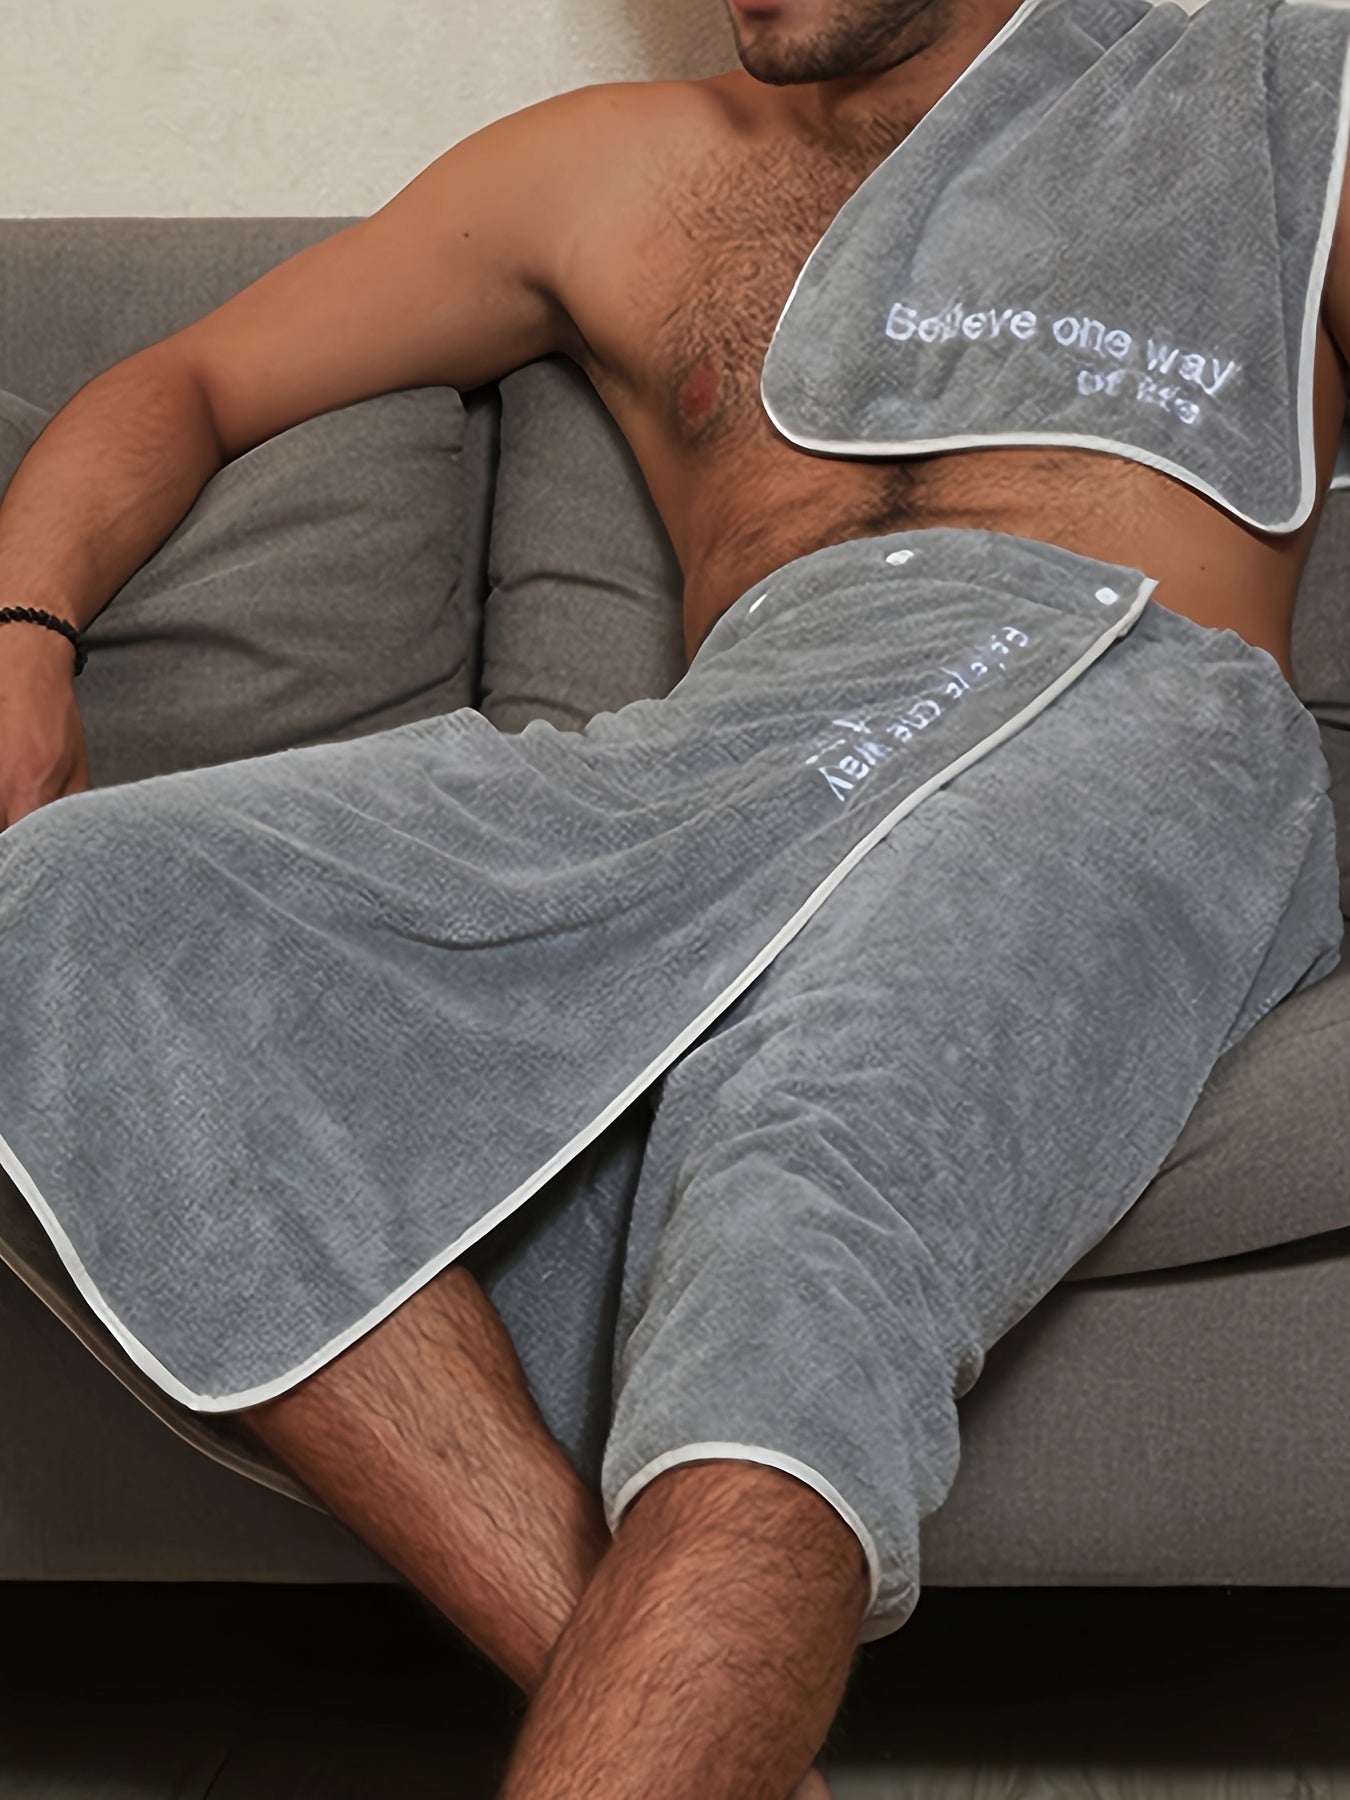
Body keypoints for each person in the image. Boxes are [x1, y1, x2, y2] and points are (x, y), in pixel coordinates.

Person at [1, 0, 1348, 1794]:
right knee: (65, 909)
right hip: (729, 751)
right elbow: (188, 383)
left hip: (1119, 704)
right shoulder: (608, 176)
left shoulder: (1272, 95)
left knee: (790, 1184)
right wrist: (24, 635)